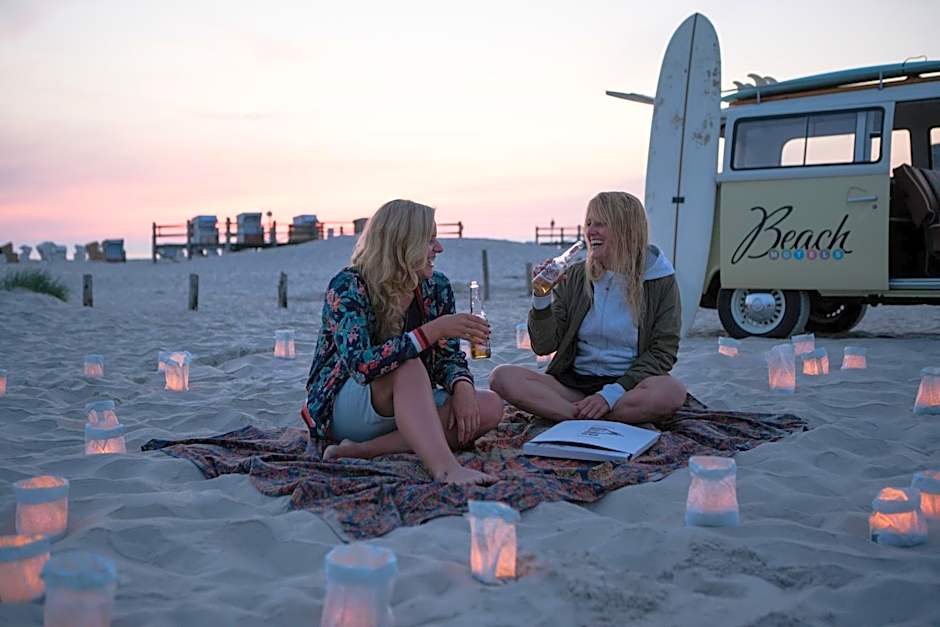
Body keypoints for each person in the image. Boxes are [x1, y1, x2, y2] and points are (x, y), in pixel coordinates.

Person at [302, 199, 502, 485]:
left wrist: (462, 386)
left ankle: (363, 451)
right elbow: (360, 365)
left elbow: (448, 358)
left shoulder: (436, 287)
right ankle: (446, 468)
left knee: (490, 405)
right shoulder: (348, 286)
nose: (439, 248)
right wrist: (430, 332)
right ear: (402, 244)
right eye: (429, 240)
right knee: (408, 367)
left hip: (409, 404)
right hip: (349, 406)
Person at [490, 191, 687, 423]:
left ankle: (573, 415)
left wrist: (609, 395)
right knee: (501, 377)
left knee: (671, 392)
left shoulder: (659, 280)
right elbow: (544, 346)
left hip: (628, 387)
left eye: (601, 224)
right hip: (574, 386)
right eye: (589, 223)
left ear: (626, 228)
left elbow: (662, 351)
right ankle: (586, 416)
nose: (590, 231)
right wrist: (541, 297)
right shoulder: (575, 275)